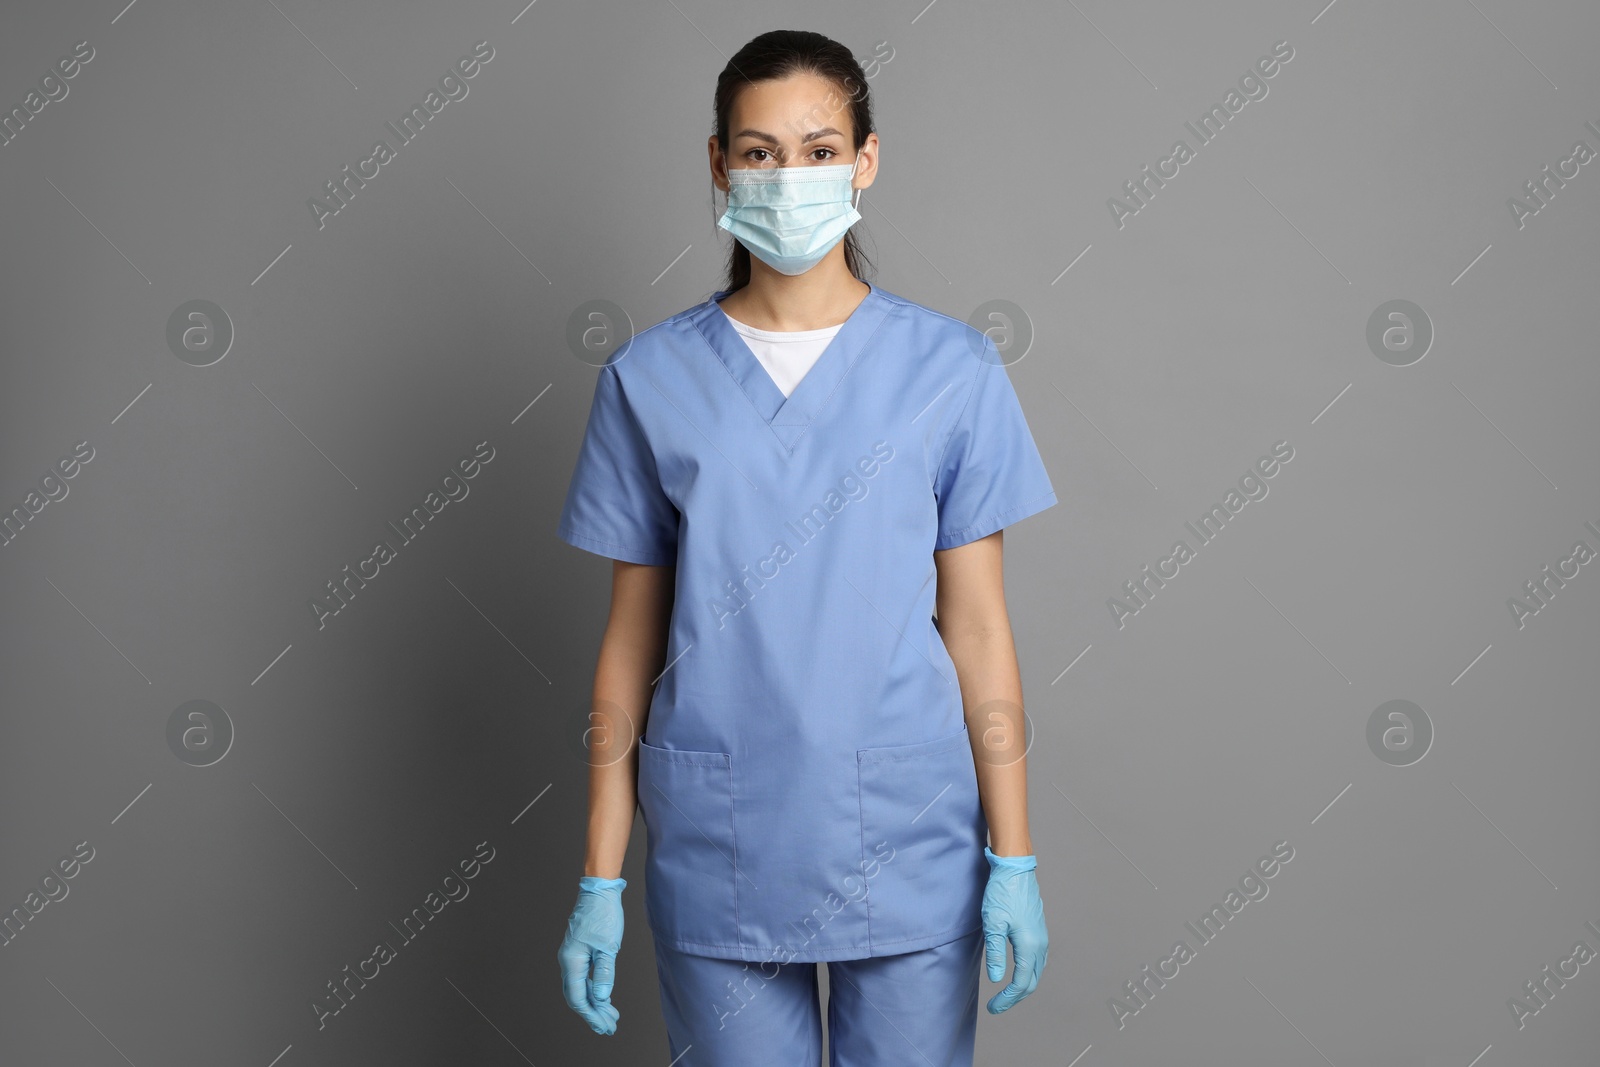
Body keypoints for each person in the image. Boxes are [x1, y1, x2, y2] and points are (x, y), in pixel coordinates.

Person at [555, 28, 1055, 1066]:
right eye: (760, 151)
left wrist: (1014, 849)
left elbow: (977, 624)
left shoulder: (949, 370)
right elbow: (626, 651)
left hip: (906, 835)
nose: (790, 176)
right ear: (718, 164)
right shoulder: (650, 381)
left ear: (865, 162)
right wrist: (598, 875)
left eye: (820, 150)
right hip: (719, 842)